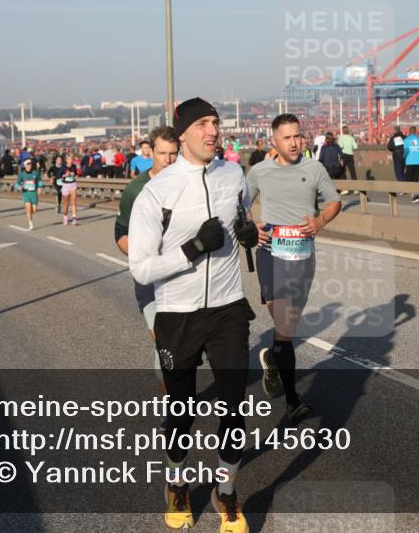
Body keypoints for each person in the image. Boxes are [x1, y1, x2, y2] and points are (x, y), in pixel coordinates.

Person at [127, 98, 258, 532]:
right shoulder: (156, 193)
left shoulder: (233, 174)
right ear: (182, 133)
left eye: (216, 123)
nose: (213, 130)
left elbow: (242, 218)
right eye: (203, 123)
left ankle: (225, 490)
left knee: (234, 408)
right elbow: (141, 268)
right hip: (177, 314)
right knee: (181, 411)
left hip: (227, 308)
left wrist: (247, 233)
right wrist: (191, 249)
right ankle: (177, 483)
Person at [249, 113, 342, 421]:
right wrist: (254, 225)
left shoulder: (314, 168)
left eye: (297, 136)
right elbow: (240, 204)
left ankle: (273, 359)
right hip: (271, 253)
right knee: (285, 322)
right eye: (286, 137)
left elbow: (334, 201)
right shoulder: (260, 171)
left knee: (286, 332)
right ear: (274, 140)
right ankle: (292, 401)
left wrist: (320, 221)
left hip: (303, 256)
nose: (294, 142)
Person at [114, 126, 180, 387]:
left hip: (181, 276)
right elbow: (120, 232)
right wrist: (140, 253)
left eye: (173, 153)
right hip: (149, 279)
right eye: (162, 153)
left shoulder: (188, 183)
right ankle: (175, 408)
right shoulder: (136, 189)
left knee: (177, 347)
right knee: (164, 341)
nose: (168, 160)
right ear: (150, 152)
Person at [14, 157, 43, 230]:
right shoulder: (22, 174)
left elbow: (39, 180)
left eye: (30, 164)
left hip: (34, 194)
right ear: (25, 165)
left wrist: (40, 187)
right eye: (28, 164)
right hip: (26, 193)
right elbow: (16, 184)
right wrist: (19, 187)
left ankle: (29, 214)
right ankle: (30, 223)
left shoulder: (35, 173)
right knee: (28, 208)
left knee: (34, 210)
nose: (29, 165)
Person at [403, 125, 419, 202]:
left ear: (409, 131)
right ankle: (415, 194)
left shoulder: (406, 140)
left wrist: (404, 157)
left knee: (410, 179)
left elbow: (406, 150)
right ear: (415, 131)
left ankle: (414, 195)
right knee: (416, 179)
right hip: (417, 162)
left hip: (409, 162)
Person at [59, 154, 80, 226]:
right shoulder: (63, 167)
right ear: (66, 160)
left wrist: (75, 175)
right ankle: (65, 217)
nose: (71, 160)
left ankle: (74, 218)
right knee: (66, 203)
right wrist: (65, 175)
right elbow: (59, 176)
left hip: (73, 184)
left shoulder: (74, 166)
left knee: (74, 202)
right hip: (65, 186)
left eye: (72, 159)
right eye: (69, 159)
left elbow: (76, 174)